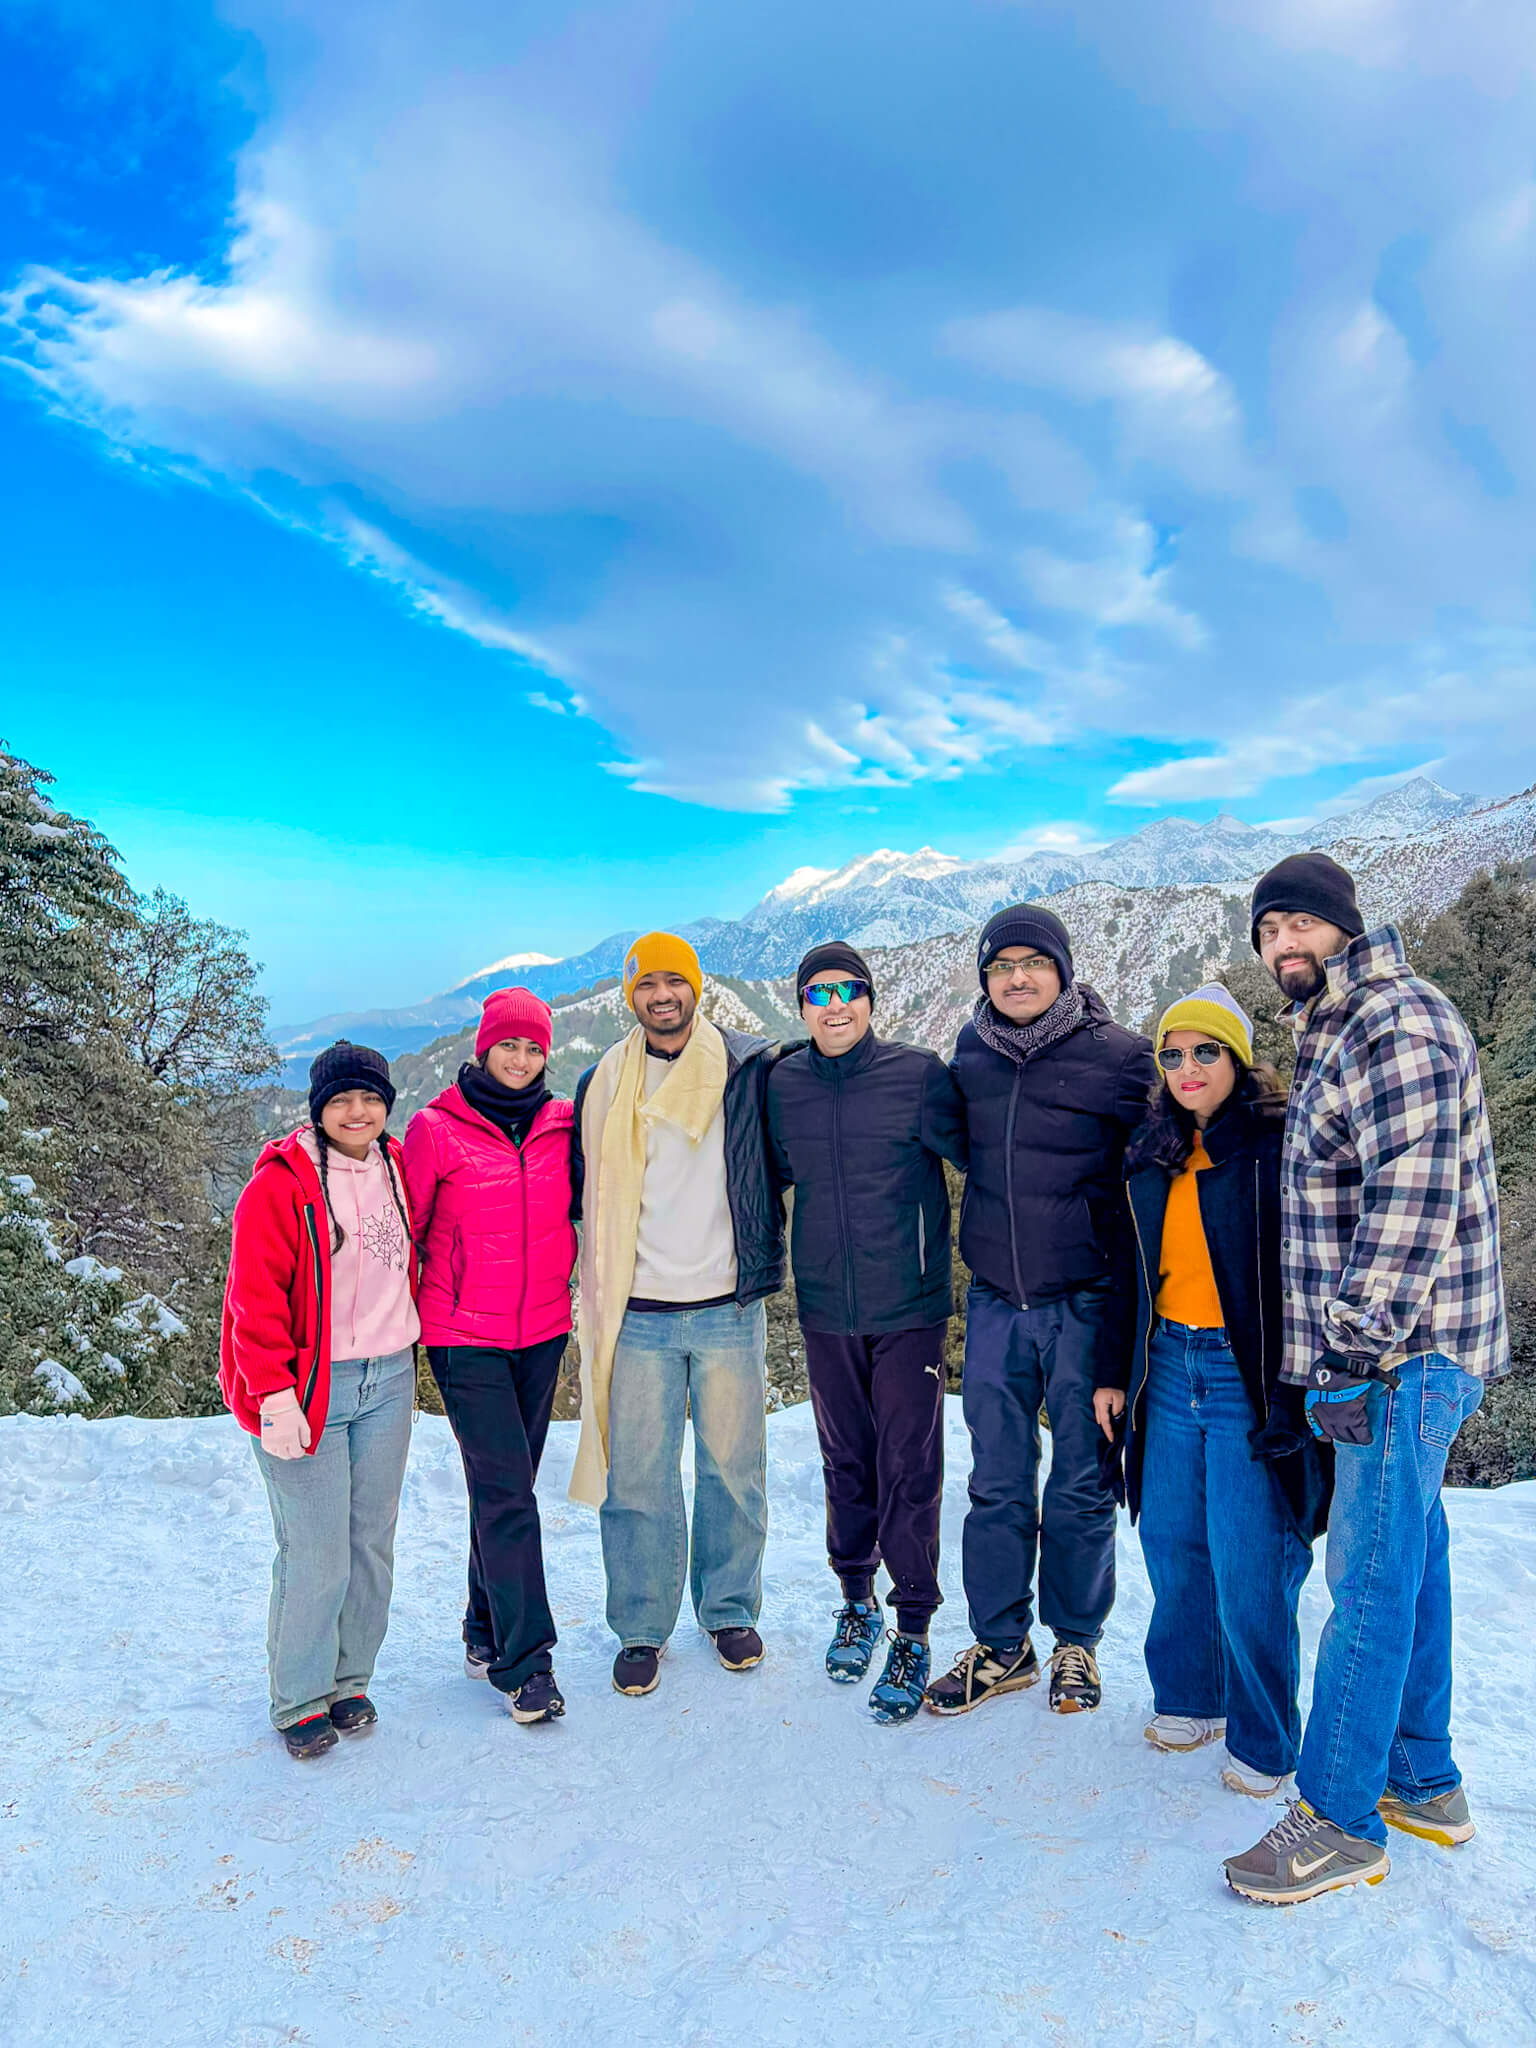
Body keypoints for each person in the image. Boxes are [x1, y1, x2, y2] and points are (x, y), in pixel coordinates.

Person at [1224, 853, 1509, 1905]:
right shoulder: (1345, 1021)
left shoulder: (1395, 1019)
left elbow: (1412, 1198)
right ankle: (1422, 1779)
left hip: (1400, 1356)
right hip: (1406, 1351)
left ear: (1345, 924)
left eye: (1298, 923)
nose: (1282, 945)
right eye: (1267, 931)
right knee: (1413, 1560)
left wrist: (1349, 1351)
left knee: (1371, 1578)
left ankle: (1338, 1817)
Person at [927, 905, 1155, 1718]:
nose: (1016, 978)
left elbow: (1151, 1191)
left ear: (1063, 968)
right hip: (994, 1301)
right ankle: (1000, 1645)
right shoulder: (973, 1053)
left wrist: (1133, 1338)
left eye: (1032, 963)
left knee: (1084, 1482)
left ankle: (1074, 1646)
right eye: (1000, 966)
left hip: (1085, 1303)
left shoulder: (1123, 1059)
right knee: (995, 1480)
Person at [1103, 984, 1329, 1800]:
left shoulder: (1276, 1148)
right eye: (1172, 1054)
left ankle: (1266, 1734)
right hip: (1167, 1364)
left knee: (1250, 1558)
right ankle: (1192, 1697)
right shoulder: (1152, 1154)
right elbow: (1126, 1277)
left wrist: (1298, 1387)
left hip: (1246, 1374)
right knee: (1171, 1538)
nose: (1188, 1068)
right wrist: (1111, 1375)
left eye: (1206, 1052)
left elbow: (1307, 1273)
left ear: (1237, 1057)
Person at [569, 932, 784, 1698]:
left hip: (726, 1302)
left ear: (699, 988)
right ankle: (640, 1624)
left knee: (734, 1471)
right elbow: (576, 1192)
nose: (662, 995)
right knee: (636, 1479)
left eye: (675, 981)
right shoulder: (602, 1083)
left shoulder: (746, 1070)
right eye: (647, 984)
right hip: (637, 1313)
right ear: (630, 996)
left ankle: (728, 1608)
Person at [765, 942, 968, 1723]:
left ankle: (912, 1625)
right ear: (803, 1007)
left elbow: (980, 1159)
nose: (836, 1004)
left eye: (850, 989)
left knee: (909, 1466)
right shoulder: (785, 1086)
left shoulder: (917, 1076)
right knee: (844, 1458)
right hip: (824, 1306)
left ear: (872, 1000)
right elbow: (770, 1173)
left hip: (909, 1308)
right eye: (819, 993)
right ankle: (857, 1599)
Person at [220, 1041, 419, 1760]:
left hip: (390, 1378)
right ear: (318, 1109)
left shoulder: (397, 1169)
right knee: (315, 1550)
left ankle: (349, 1679)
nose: (357, 1112)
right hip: (311, 1387)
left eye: (369, 1098)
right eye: (341, 1101)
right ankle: (300, 1696)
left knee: (370, 1541)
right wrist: (273, 1394)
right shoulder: (279, 1187)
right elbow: (255, 1300)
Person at [402, 987, 577, 1727]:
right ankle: (525, 1662)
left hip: (541, 1332)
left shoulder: (564, 1124)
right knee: (510, 1496)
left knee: (504, 1490)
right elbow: (404, 1231)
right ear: (483, 1048)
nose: (521, 1058)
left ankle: (483, 1630)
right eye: (509, 1044)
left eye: (534, 1047)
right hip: (461, 1334)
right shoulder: (435, 1129)